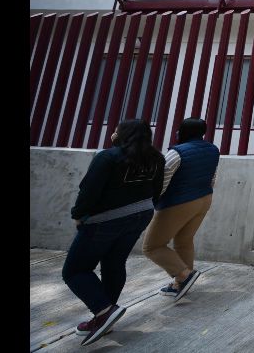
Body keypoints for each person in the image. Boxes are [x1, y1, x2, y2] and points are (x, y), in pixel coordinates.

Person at [63, 119, 165, 346]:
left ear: (122, 134)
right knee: (114, 263)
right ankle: (104, 317)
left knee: (75, 270)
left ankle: (104, 310)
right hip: (141, 214)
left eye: (116, 130)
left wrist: (78, 214)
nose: (112, 133)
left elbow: (89, 190)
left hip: (106, 219)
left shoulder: (108, 157)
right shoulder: (157, 158)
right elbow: (157, 190)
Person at [142, 118, 220, 301]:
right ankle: (181, 283)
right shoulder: (212, 149)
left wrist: (154, 200)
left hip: (179, 202)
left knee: (152, 246)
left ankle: (184, 275)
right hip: (204, 198)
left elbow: (163, 179)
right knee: (184, 241)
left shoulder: (176, 153)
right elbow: (213, 176)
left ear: (182, 131)